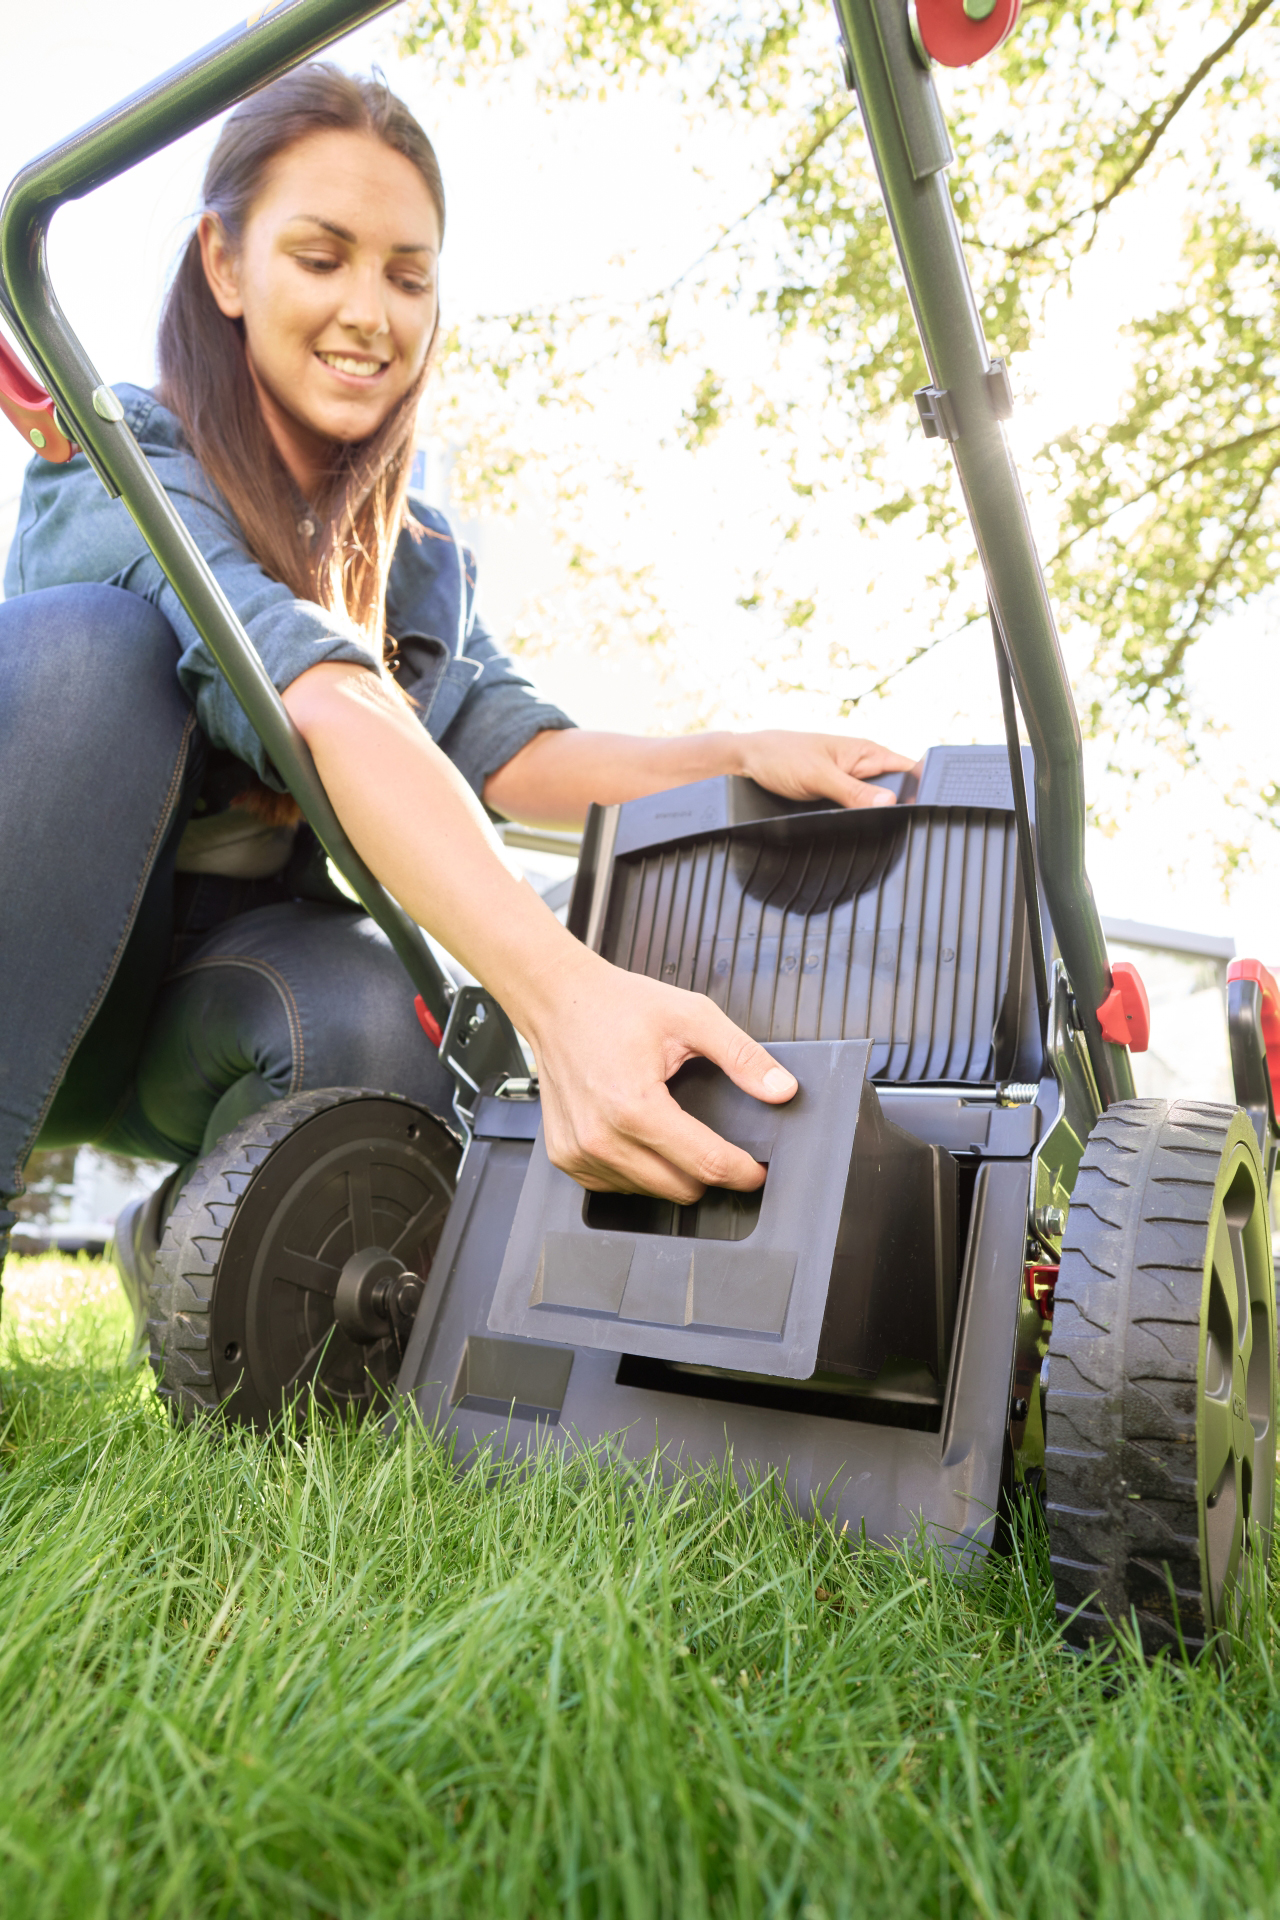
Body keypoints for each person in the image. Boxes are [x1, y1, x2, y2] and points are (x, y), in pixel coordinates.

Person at [0, 64, 913, 1344]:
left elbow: (509, 746)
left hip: (191, 1011)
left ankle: (186, 1232)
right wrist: (562, 996)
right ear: (223, 263)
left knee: (383, 1012)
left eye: (407, 276)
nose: (368, 313)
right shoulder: (121, 454)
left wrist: (735, 758)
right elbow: (318, 695)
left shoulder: (413, 556)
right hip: (32, 968)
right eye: (321, 257)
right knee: (88, 654)